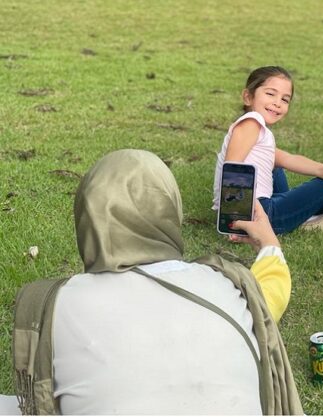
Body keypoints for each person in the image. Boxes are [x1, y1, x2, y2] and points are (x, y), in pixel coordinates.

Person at [11, 149, 303, 415]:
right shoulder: (230, 287)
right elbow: (270, 292)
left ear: (87, 216)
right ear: (171, 209)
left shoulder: (55, 304)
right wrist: (269, 243)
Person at [212, 66, 323, 234]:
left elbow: (288, 159)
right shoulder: (251, 123)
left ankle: (297, 218)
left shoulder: (256, 129)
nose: (277, 103)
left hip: (258, 209)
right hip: (254, 214)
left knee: (275, 165)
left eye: (285, 99)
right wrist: (235, 219)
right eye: (270, 94)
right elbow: (232, 167)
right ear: (248, 97)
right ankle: (297, 219)